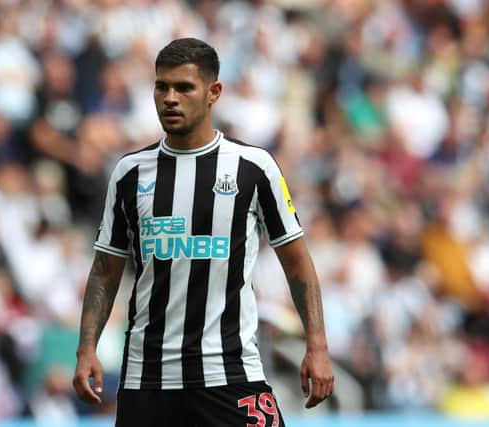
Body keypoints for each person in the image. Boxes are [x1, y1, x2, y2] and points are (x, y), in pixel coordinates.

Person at [73, 37, 334, 426]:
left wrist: (317, 346)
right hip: (147, 378)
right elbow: (105, 271)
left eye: (184, 87)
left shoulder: (253, 167)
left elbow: (297, 264)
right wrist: (86, 349)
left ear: (213, 93)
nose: (170, 98)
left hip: (229, 371)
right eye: (161, 87)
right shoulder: (129, 173)